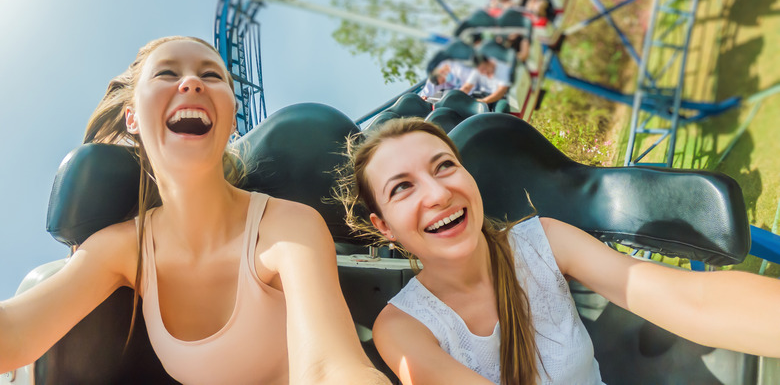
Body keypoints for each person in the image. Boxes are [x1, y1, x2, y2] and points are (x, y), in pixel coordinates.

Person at [0, 36, 390, 385]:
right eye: (167, 73)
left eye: (212, 75)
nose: (192, 83)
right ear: (132, 117)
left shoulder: (287, 226)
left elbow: (330, 367)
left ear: (233, 117)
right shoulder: (122, 248)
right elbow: (15, 332)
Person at [335, 118, 780, 385]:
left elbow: (689, 300)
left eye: (445, 166)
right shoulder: (401, 328)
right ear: (383, 227)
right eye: (403, 188)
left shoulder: (543, 240)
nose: (437, 193)